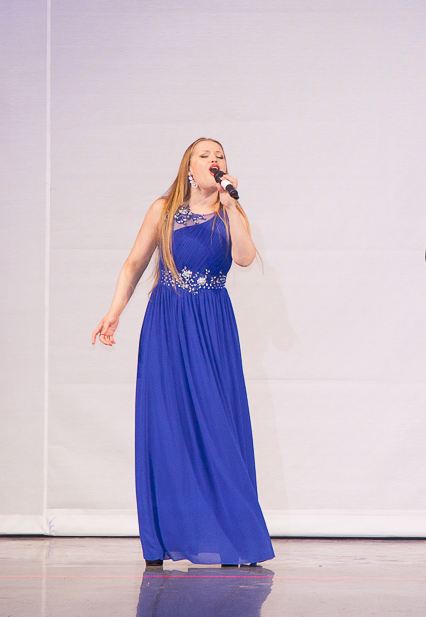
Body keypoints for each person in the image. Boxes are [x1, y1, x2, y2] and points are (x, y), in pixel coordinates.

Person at [92, 138, 274, 567]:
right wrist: (114, 312)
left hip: (211, 325)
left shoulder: (230, 210)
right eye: (204, 156)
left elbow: (245, 258)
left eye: (220, 156)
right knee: (168, 425)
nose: (214, 160)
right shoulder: (163, 210)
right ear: (189, 169)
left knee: (218, 424)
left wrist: (231, 206)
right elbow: (134, 264)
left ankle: (235, 536)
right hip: (168, 322)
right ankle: (166, 536)